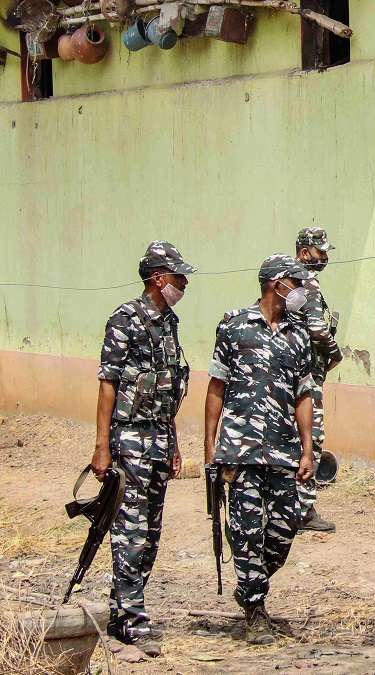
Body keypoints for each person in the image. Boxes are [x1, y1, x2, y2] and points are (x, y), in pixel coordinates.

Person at [204, 255, 316, 645]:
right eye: (296, 282)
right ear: (276, 283)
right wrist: (211, 447)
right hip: (241, 451)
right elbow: (216, 387)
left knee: (284, 529)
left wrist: (308, 449)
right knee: (247, 532)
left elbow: (304, 394)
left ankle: (251, 586)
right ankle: (254, 609)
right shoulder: (235, 326)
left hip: (283, 450)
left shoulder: (298, 335)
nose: (301, 290)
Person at [92, 241, 195, 658]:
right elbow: (108, 383)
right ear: (158, 278)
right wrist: (102, 446)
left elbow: (168, 389)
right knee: (130, 531)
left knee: (150, 532)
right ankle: (131, 618)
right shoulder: (125, 319)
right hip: (130, 440)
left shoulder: (169, 322)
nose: (184, 283)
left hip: (157, 439)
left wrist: (172, 443)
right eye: (179, 276)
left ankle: (124, 609)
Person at [294, 227, 342, 534]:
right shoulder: (306, 281)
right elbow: (316, 329)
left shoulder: (288, 279)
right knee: (312, 437)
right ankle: (304, 509)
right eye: (319, 251)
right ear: (304, 253)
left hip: (295, 371)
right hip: (308, 374)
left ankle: (289, 507)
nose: (324, 257)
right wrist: (335, 354)